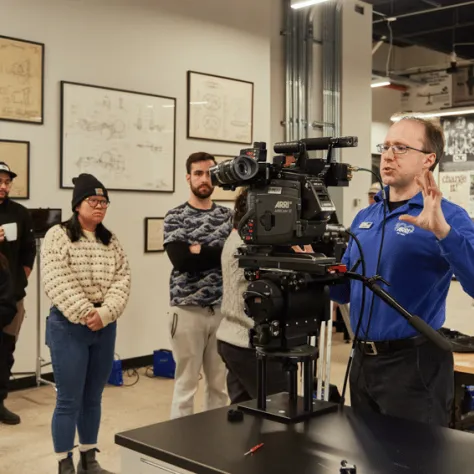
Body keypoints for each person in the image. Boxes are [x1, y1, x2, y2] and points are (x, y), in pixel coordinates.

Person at [330, 116, 474, 427]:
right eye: (386, 146)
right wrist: (318, 267)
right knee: (367, 456)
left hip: (415, 365)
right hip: (362, 360)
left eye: (401, 147)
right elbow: (342, 292)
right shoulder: (365, 217)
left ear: (428, 160)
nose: (387, 155)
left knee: (415, 464)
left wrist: (443, 233)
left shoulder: (449, 216)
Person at [41, 174, 131, 474]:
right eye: (93, 201)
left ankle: (88, 459)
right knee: (69, 399)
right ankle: (64, 463)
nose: (100, 207)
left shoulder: (110, 239)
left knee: (93, 397)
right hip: (68, 326)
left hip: (104, 325)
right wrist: (84, 312)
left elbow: (123, 278)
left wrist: (105, 313)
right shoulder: (59, 235)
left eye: (104, 202)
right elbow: (55, 279)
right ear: (77, 204)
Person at [164, 152, 233, 418]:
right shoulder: (175, 216)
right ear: (188, 177)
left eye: (209, 173)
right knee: (185, 385)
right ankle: (181, 445)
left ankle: (213, 442)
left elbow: (234, 258)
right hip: (186, 310)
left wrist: (199, 249)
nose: (204, 179)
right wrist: (217, 252)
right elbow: (181, 261)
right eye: (198, 173)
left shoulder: (228, 217)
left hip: (221, 310)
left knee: (219, 386)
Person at [217, 188, 288, 403]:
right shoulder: (248, 247)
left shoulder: (235, 237)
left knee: (244, 412)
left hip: (233, 339)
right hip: (249, 343)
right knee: (279, 409)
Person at [0, 161, 36, 425]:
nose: (3, 186)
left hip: (11, 298)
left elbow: (28, 250)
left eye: (7, 182)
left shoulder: (20, 213)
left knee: (5, 352)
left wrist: (19, 283)